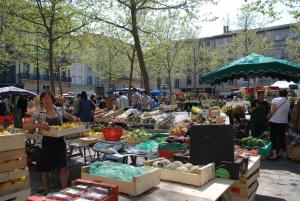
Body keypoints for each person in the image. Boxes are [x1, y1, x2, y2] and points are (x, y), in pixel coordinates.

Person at [23, 90, 80, 194]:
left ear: (52, 99)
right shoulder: (39, 113)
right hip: (45, 144)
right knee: (45, 170)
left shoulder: (59, 110)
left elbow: (69, 116)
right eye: (43, 98)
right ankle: (48, 192)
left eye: (47, 98)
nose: (45, 100)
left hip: (59, 143)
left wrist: (75, 118)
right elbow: (26, 126)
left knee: (63, 167)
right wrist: (39, 125)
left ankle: (65, 191)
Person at [269, 89, 290, 160]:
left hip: (274, 121)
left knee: (273, 138)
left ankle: (274, 155)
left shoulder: (275, 100)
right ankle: (280, 153)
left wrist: (269, 116)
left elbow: (272, 111)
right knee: (281, 137)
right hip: (283, 122)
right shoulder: (288, 102)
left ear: (279, 93)